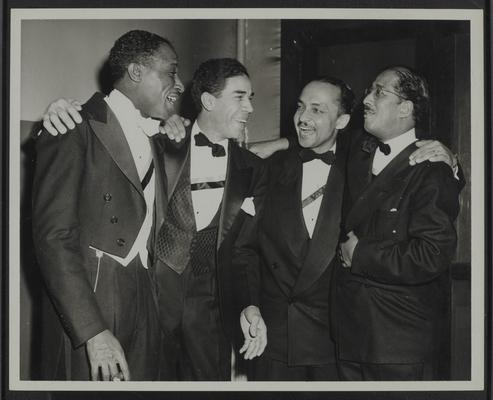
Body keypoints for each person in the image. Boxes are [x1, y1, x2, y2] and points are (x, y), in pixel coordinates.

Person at [32, 30, 184, 381]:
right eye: (171, 71)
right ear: (135, 72)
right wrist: (91, 330)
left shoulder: (160, 136)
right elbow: (53, 237)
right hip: (92, 298)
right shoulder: (71, 124)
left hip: (146, 292)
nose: (178, 82)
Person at [334, 66, 461, 380]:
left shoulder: (432, 168)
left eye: (379, 91)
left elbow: (430, 255)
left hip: (399, 341)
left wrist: (360, 255)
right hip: (350, 335)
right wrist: (271, 146)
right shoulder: (357, 151)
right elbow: (313, 143)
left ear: (406, 108)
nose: (366, 98)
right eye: (369, 90)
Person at [232, 77, 354, 380]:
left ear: (342, 120)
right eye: (300, 107)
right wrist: (249, 304)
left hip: (337, 344)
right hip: (273, 339)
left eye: (317, 110)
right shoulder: (269, 168)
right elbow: (244, 247)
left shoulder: (362, 170)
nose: (303, 117)